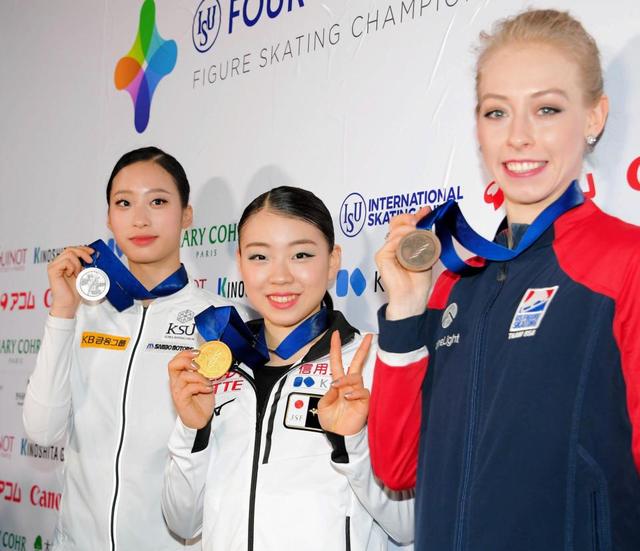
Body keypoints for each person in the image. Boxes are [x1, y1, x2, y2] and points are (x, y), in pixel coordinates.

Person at [368, 8, 640, 550]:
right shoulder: (454, 282)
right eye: (496, 112)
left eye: (546, 109)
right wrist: (404, 310)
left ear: (594, 118)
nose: (518, 136)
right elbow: (397, 468)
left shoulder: (625, 263)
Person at [162, 186, 414, 550]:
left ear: (332, 261)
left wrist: (352, 444)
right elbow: (182, 521)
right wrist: (193, 431)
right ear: (240, 263)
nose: (280, 276)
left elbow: (406, 525)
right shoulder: (216, 368)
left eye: (301, 255)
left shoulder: (373, 364)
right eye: (260, 257)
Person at [23, 146, 239, 550]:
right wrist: (63, 311)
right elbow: (41, 430)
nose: (140, 218)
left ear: (186, 215)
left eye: (158, 201)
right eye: (124, 203)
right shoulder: (83, 312)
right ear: (108, 217)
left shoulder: (220, 322)